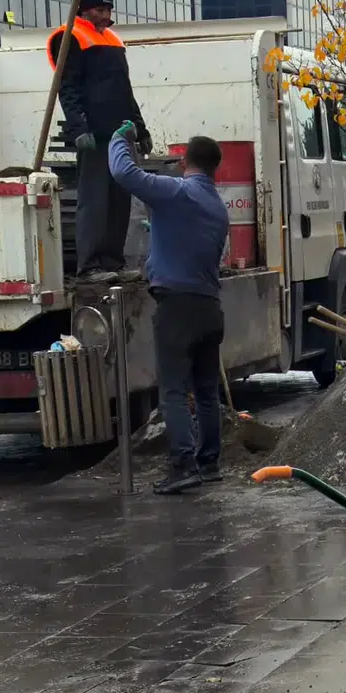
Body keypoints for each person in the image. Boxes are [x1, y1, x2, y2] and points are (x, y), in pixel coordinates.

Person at [108, 125, 230, 495]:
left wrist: (119, 140)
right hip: (210, 308)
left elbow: (124, 173)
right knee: (207, 392)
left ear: (184, 162)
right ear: (215, 169)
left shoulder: (178, 192)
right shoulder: (218, 208)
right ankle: (209, 463)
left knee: (174, 391)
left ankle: (183, 465)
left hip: (177, 307)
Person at [47, 0, 151, 282]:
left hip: (121, 132)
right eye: (100, 9)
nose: (106, 15)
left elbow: (125, 91)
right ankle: (89, 267)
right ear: (84, 9)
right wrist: (79, 128)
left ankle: (112, 263)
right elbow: (67, 88)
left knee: (120, 201)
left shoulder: (113, 41)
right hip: (94, 136)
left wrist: (140, 129)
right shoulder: (71, 37)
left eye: (108, 10)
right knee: (94, 201)